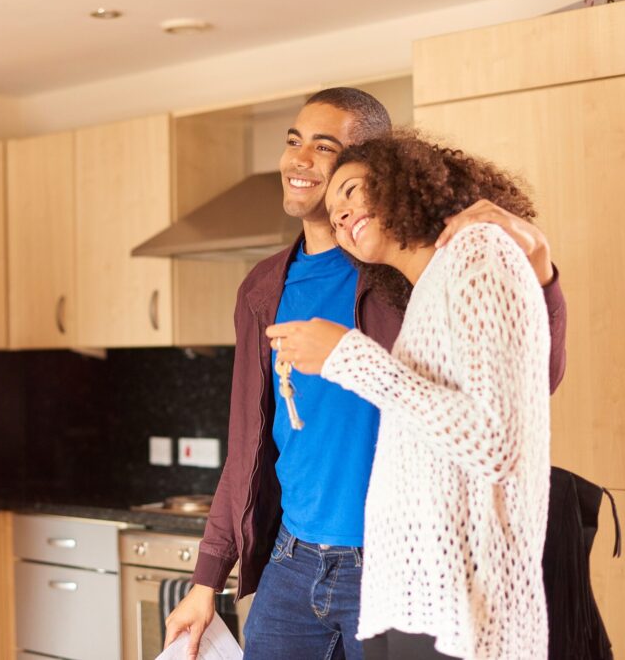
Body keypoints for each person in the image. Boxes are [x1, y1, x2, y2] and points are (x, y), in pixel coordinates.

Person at [164, 89, 567, 659]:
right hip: (290, 563)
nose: (300, 160)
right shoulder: (263, 288)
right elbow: (249, 443)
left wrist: (541, 271)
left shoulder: (404, 271)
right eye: (293, 141)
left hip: (394, 568)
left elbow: (528, 388)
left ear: (377, 168)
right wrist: (207, 580)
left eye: (324, 147)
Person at [266, 132, 553, 659]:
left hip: (461, 614)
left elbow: (495, 442)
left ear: (402, 180)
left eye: (351, 190)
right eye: (333, 214)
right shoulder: (426, 295)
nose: (342, 216)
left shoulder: (479, 251)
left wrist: (349, 358)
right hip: (413, 602)